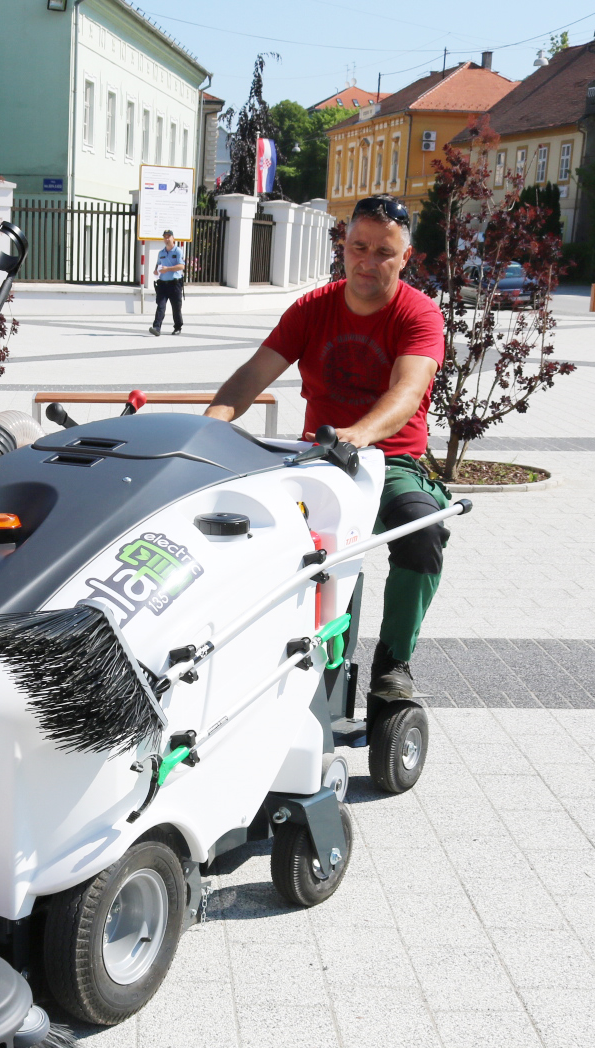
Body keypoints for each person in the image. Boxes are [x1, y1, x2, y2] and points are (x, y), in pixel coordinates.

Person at [204, 195, 445, 702]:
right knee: (289, 546)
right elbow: (253, 373)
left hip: (389, 460)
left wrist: (359, 433)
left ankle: (393, 665)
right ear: (344, 246)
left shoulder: (418, 314)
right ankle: (304, 660)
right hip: (319, 459)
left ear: (406, 257)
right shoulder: (313, 308)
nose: (368, 260)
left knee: (422, 534)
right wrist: (211, 425)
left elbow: (407, 393)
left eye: (384, 251)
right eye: (359, 246)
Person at [148, 230, 184, 336]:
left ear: (173, 238)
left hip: (175, 284)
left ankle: (178, 327)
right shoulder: (161, 253)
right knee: (161, 306)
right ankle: (156, 327)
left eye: (169, 236)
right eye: (165, 237)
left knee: (176, 307)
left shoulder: (178, 251)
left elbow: (181, 266)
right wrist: (156, 271)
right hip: (163, 284)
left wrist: (168, 269)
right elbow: (158, 264)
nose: (167, 239)